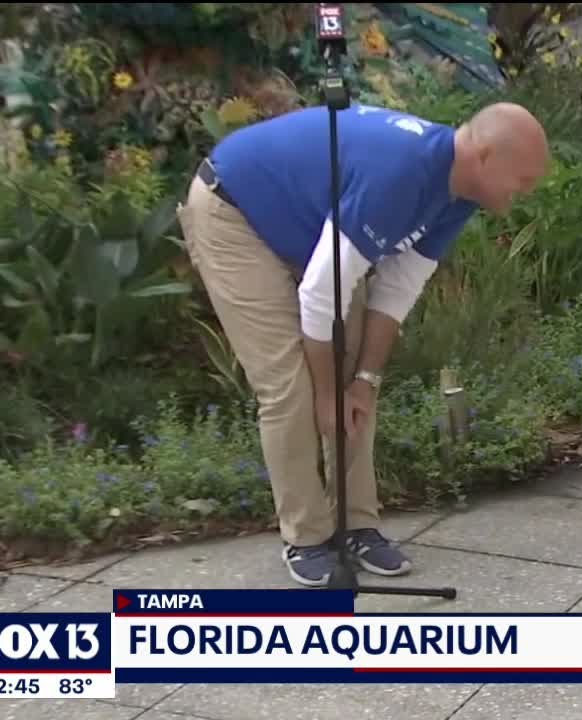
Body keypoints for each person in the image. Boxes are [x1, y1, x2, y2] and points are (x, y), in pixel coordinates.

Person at [175, 101, 550, 587]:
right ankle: (307, 537)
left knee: (352, 376)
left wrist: (364, 382)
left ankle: (357, 525)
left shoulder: (458, 192)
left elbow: (396, 291)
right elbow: (319, 297)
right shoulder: (400, 173)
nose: (522, 194)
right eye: (520, 182)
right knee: (290, 386)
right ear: (483, 156)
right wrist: (329, 395)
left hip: (307, 229)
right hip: (236, 213)